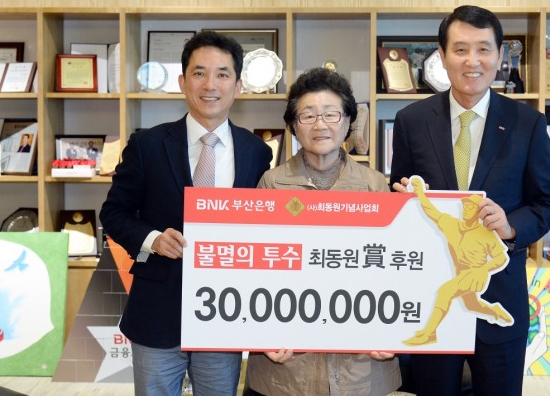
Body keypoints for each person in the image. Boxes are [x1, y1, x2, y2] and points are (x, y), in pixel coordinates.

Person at [390, 5, 550, 396]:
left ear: (500, 56)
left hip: (500, 290)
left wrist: (511, 226)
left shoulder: (527, 123)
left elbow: (548, 202)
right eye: (461, 49)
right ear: (442, 55)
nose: (473, 61)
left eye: (484, 49)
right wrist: (404, 203)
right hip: (432, 288)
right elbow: (397, 190)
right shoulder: (411, 120)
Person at [100, 30, 273, 396]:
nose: (210, 84)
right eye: (199, 73)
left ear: (238, 85)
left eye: (222, 74)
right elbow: (114, 212)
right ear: (182, 82)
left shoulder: (257, 152)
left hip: (223, 313)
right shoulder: (147, 144)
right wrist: (152, 240)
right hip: (157, 310)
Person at [245, 67, 401, 396]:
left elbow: (392, 271)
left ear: (348, 120)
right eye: (308, 115)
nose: (320, 125)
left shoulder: (373, 185)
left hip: (360, 360)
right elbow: (254, 269)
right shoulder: (271, 183)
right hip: (287, 364)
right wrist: (263, 333)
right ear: (293, 124)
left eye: (331, 114)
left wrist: (393, 331)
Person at [403, 183, 512, 347]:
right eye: (465, 206)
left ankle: (429, 333)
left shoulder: (485, 233)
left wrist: (483, 270)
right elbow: (431, 211)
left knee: (444, 292)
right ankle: (495, 311)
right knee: (471, 304)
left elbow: (501, 258)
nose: (466, 209)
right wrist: (420, 194)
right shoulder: (451, 225)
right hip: (460, 273)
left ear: (479, 211)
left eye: (471, 207)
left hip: (475, 274)